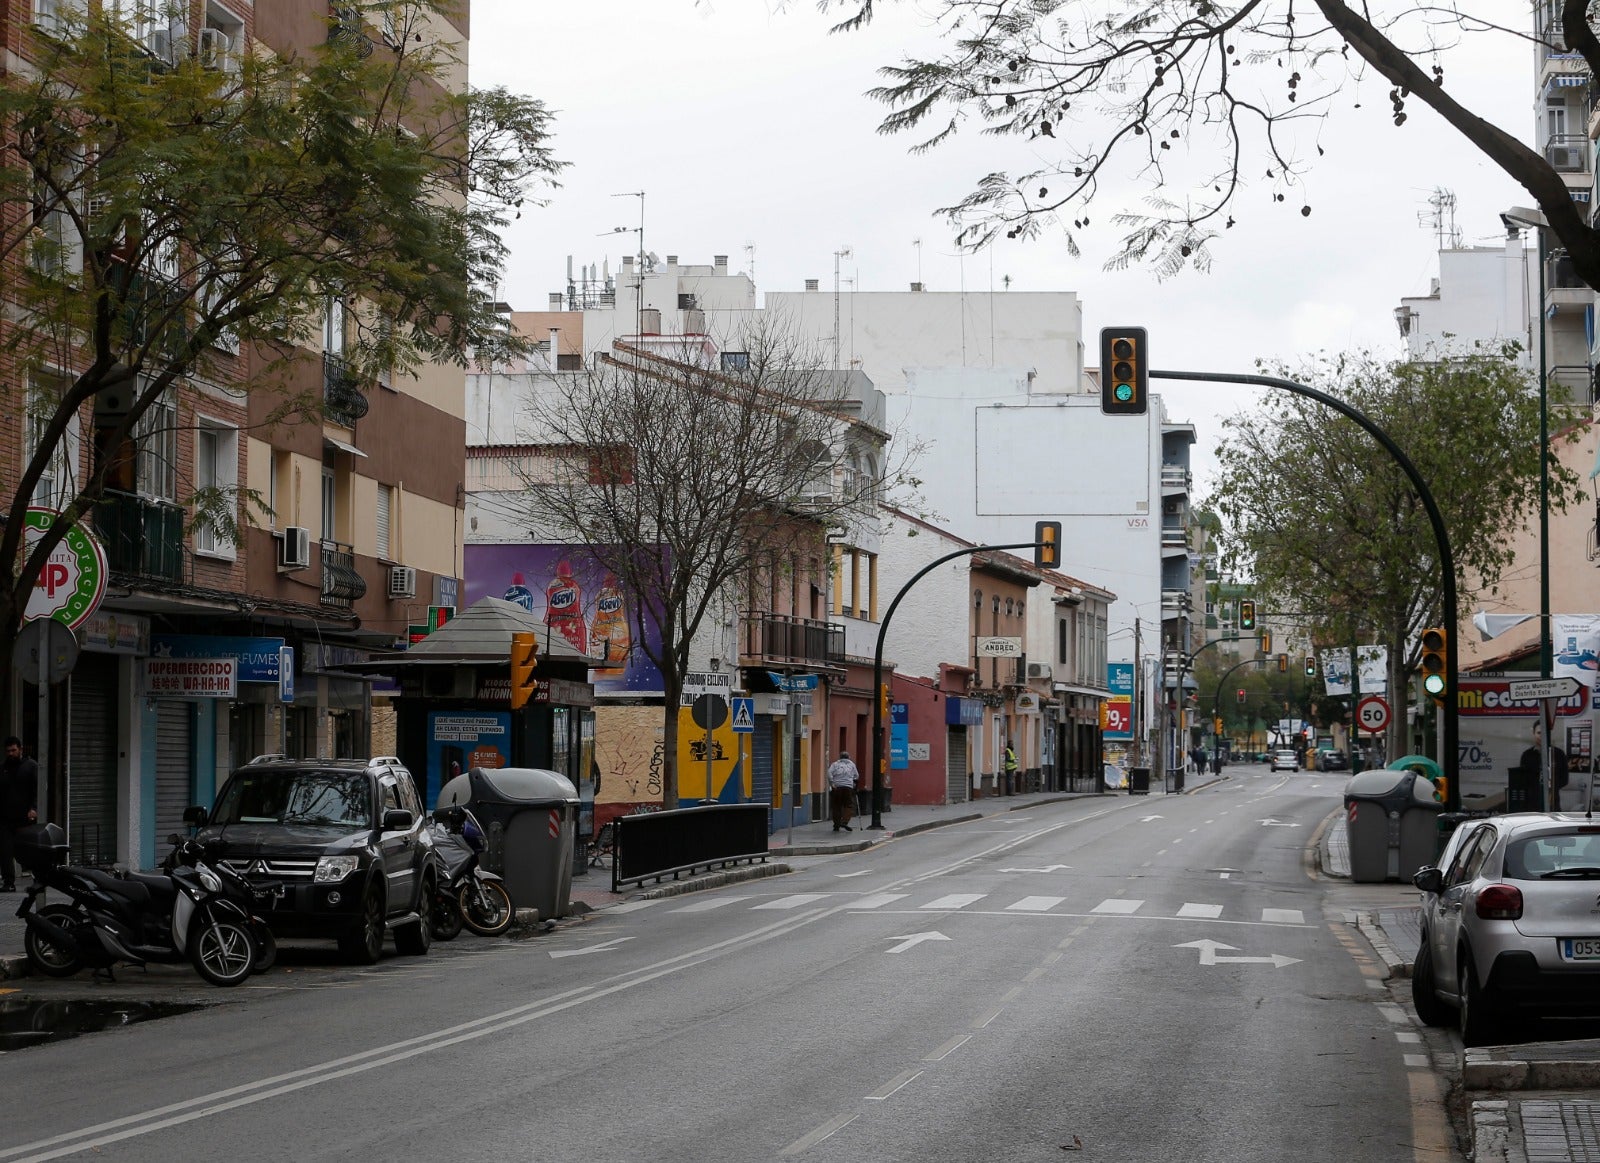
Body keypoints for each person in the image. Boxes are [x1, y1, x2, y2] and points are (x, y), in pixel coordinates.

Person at [0, 736, 39, 892]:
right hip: (5, 818)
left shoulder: (31, 766)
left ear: (20, 749)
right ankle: (9, 883)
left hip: (24, 818)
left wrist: (34, 808)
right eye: (8, 751)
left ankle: (38, 878)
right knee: (4, 851)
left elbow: (37, 789)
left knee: (26, 851)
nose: (11, 753)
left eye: (13, 750)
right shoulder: (3, 768)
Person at [827, 750, 859, 832]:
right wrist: (853, 782)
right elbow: (856, 776)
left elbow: (829, 773)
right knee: (849, 805)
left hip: (837, 787)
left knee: (836, 806)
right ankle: (844, 821)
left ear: (840, 757)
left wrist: (832, 783)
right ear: (848, 757)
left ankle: (836, 825)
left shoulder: (835, 764)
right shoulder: (852, 764)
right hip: (848, 787)